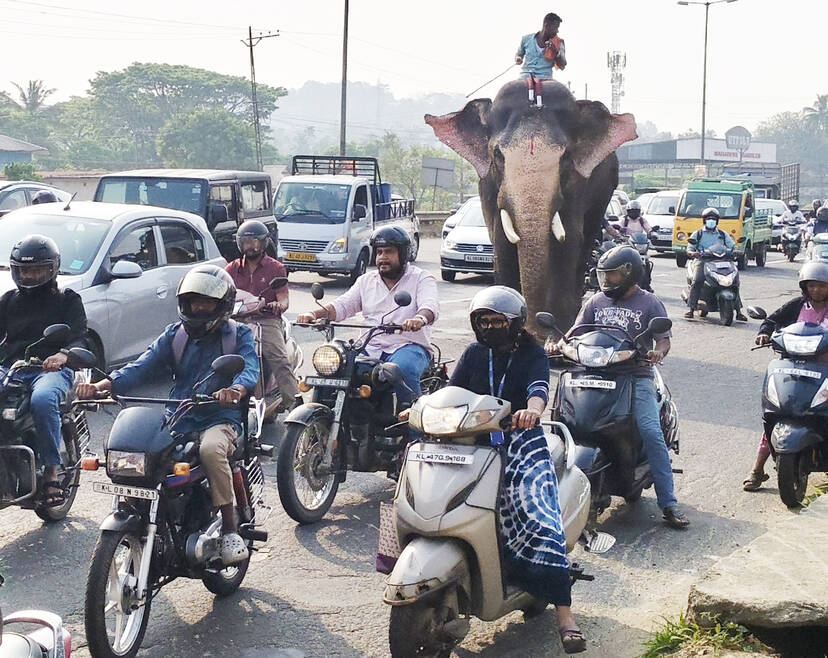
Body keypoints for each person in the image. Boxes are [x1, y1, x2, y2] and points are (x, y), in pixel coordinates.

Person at [77, 266, 259, 565]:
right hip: (180, 415)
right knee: (143, 452)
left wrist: (236, 388)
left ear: (222, 305)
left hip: (220, 417)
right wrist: (103, 385)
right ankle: (141, 514)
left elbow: (249, 367)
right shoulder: (176, 335)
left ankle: (228, 529)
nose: (199, 308)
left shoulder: (238, 335)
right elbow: (143, 365)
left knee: (211, 450)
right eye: (193, 302)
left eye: (206, 302)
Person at [448, 286, 586, 654]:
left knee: (539, 514)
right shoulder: (474, 353)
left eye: (498, 321)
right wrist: (423, 407)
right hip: (472, 440)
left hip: (521, 442)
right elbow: (451, 391)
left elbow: (539, 388)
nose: (491, 327)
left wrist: (533, 410)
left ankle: (565, 614)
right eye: (484, 321)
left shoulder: (532, 353)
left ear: (515, 323)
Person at [562, 245, 690, 529]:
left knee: (651, 432)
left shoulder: (649, 303)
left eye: (613, 276)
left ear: (630, 275)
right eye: (603, 275)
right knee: (564, 423)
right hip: (593, 371)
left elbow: (663, 339)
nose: (606, 281)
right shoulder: (595, 301)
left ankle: (668, 504)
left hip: (635, 374)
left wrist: (658, 353)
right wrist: (558, 343)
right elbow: (575, 333)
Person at [296, 226, 439, 407]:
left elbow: (430, 307)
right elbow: (343, 305)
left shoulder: (421, 278)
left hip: (408, 345)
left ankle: (414, 429)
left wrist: (419, 319)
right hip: (368, 346)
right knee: (333, 368)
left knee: (403, 369)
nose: (382, 257)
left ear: (403, 255)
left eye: (389, 252)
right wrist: (313, 314)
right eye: (379, 252)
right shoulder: (366, 281)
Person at [0, 235, 88, 507]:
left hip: (49, 371)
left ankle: (51, 470)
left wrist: (63, 355)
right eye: (24, 270)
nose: (29, 275)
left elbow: (80, 337)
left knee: (43, 399)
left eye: (36, 269)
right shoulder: (8, 301)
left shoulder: (67, 299)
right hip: (12, 368)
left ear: (52, 269)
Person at [744, 261, 828, 490]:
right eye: (812, 286)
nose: (817, 291)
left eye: (822, 286)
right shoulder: (797, 305)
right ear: (804, 287)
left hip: (825, 369)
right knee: (777, 414)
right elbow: (772, 320)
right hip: (792, 367)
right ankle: (757, 469)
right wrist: (764, 334)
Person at [225, 220, 300, 418]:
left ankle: (296, 408)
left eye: (256, 241)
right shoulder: (231, 269)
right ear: (240, 243)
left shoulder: (276, 268)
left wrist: (278, 305)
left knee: (279, 360)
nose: (252, 246)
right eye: (247, 241)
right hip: (238, 321)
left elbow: (284, 299)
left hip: (266, 320)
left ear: (264, 243)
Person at [683, 207, 747, 322]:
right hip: (703, 260)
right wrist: (693, 253)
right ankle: (691, 309)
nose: (711, 221)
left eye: (713, 219)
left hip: (722, 260)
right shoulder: (698, 234)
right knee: (697, 281)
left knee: (734, 282)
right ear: (704, 220)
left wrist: (736, 250)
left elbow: (732, 246)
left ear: (717, 221)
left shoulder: (723, 234)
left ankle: (738, 312)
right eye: (708, 219)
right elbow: (690, 248)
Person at [515, 12, 566, 81]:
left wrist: (555, 52)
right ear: (546, 25)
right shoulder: (526, 39)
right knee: (510, 89)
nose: (557, 31)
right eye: (555, 27)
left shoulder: (559, 43)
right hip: (525, 77)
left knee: (558, 89)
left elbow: (562, 66)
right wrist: (518, 58)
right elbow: (519, 54)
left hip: (546, 79)